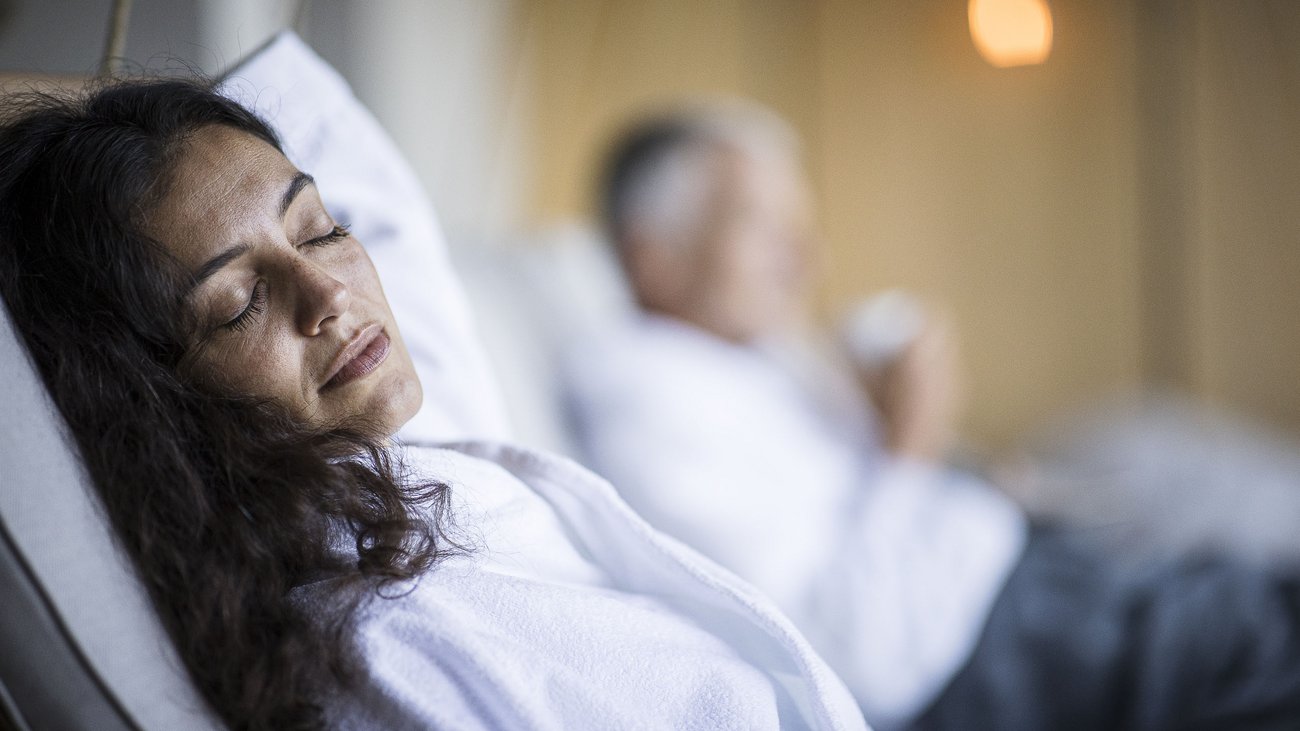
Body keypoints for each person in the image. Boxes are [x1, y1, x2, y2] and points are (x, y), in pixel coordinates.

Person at [0, 37, 866, 731]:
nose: (330, 295)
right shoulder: (385, 648)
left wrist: (91, 135)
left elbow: (322, 117)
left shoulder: (394, 433)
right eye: (239, 305)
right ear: (154, 399)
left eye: (320, 228)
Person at [565, 102, 1300, 730]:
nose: (806, 256)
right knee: (1264, 642)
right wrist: (910, 439)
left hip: (1021, 571)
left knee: (1238, 576)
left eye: (801, 222)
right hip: (994, 648)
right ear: (654, 257)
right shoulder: (646, 397)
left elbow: (863, 490)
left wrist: (917, 435)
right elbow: (859, 652)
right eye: (761, 223)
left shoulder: (751, 354)